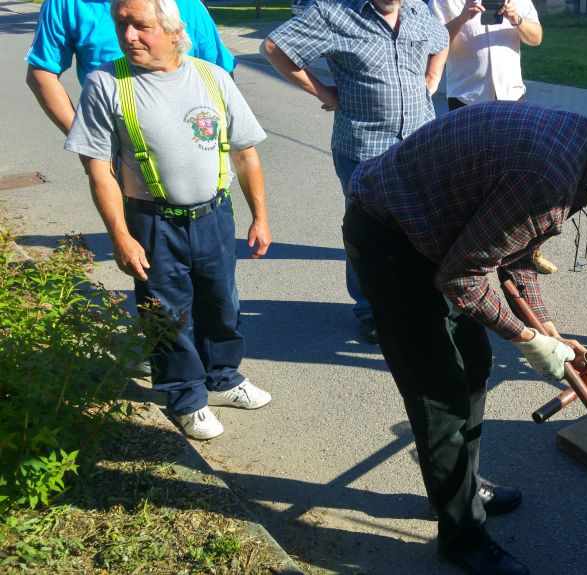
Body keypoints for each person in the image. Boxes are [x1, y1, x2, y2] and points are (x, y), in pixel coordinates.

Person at [342, 101, 587, 575]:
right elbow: (461, 278)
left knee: (474, 365)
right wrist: (528, 338)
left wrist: (548, 330)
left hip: (435, 238)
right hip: (391, 240)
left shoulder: (575, 148)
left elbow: (516, 255)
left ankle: (461, 489)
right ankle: (462, 536)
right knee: (440, 396)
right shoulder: (547, 175)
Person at [64, 0, 273, 440]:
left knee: (221, 303)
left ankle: (222, 378)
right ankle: (186, 397)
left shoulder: (212, 77)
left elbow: (245, 152)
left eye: (140, 26)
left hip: (214, 215)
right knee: (166, 314)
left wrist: (260, 217)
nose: (128, 36)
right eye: (122, 24)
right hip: (152, 222)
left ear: (175, 31)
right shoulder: (106, 83)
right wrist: (120, 236)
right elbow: (99, 169)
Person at [261, 0, 449, 345]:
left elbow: (442, 40)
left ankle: (416, 300)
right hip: (364, 146)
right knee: (366, 232)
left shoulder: (416, 10)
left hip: (418, 141)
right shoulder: (332, 12)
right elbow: (274, 48)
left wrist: (432, 77)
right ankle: (369, 309)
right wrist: (324, 93)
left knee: (420, 226)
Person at [427, 0, 558, 275]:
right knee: (467, 179)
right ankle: (462, 251)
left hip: (511, 96)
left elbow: (536, 37)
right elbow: (432, 42)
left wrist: (517, 19)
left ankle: (526, 251)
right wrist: (463, 17)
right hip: (467, 99)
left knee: (520, 178)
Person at [25, 0, 235, 136]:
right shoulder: (66, 4)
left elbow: (219, 72)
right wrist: (85, 141)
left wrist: (217, 137)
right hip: (116, 144)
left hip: (188, 137)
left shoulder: (186, 4)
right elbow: (41, 74)